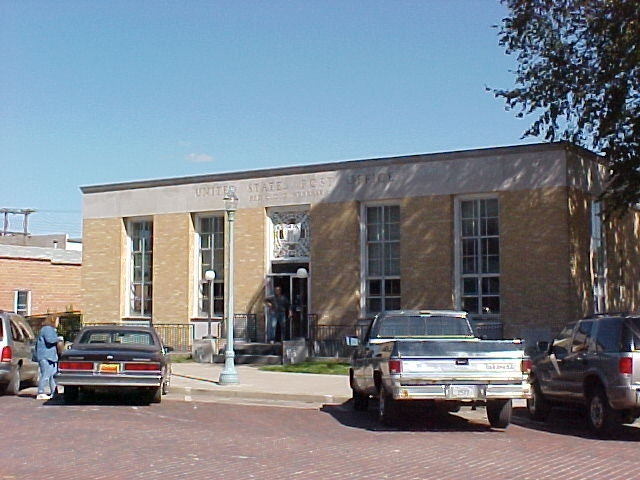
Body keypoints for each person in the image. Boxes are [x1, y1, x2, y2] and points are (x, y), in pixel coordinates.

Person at [35, 315, 61, 400]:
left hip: (51, 357)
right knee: (46, 374)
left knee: (53, 375)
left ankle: (54, 392)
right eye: (57, 321)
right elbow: (50, 340)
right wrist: (59, 339)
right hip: (45, 356)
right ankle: (40, 392)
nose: (58, 323)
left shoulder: (49, 329)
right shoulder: (47, 329)